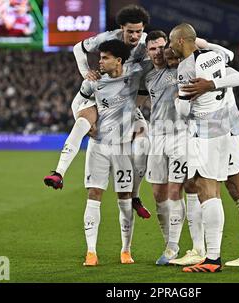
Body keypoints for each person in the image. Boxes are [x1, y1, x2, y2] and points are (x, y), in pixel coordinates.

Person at [43, 5, 151, 218]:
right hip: (100, 92)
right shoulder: (107, 38)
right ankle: (59, 173)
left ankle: (136, 196)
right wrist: (86, 73)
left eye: (139, 31)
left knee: (144, 139)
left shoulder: (148, 44)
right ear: (121, 28)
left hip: (124, 99)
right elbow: (77, 48)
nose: (135, 35)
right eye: (130, 31)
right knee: (82, 123)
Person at [173, 47, 239, 267]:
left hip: (226, 130)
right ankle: (200, 249)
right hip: (207, 132)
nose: (166, 52)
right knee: (195, 184)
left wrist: (203, 87)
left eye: (169, 47)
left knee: (231, 187)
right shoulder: (192, 66)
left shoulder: (204, 64)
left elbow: (238, 75)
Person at [73, 39, 146, 266]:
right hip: (98, 146)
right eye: (99, 57)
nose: (100, 62)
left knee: (124, 199)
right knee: (94, 194)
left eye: (105, 58)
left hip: (123, 148)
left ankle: (126, 250)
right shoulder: (94, 82)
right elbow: (78, 103)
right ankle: (91, 252)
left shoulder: (135, 75)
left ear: (119, 61)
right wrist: (84, 120)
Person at [169, 23, 232, 273]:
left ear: (183, 40)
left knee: (206, 189)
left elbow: (184, 111)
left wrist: (177, 99)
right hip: (221, 124)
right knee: (211, 188)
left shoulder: (186, 67)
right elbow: (233, 66)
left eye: (173, 41)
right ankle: (211, 256)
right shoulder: (213, 56)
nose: (171, 46)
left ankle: (213, 259)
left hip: (203, 128)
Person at [140, 31, 188, 265]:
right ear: (148, 52)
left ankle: (173, 247)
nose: (158, 52)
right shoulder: (147, 78)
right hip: (156, 137)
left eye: (161, 47)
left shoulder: (180, 69)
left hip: (179, 136)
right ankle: (168, 241)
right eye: (152, 49)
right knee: (158, 193)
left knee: (175, 191)